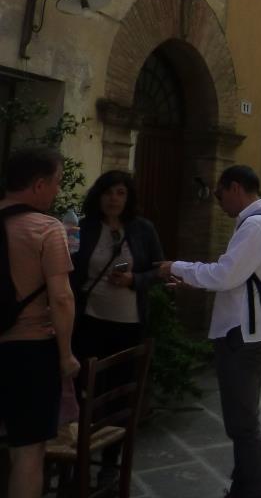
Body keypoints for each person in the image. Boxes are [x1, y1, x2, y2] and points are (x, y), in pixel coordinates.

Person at [157, 165, 261, 498]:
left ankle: (257, 491)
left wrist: (177, 267)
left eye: (219, 193)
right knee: (241, 420)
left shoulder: (257, 226)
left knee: (242, 423)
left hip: (244, 334)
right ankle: (245, 486)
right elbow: (238, 279)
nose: (218, 201)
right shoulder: (256, 223)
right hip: (246, 329)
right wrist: (194, 282)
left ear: (235, 188)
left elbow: (226, 275)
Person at [71, 170, 164, 482]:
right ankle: (78, 455)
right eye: (109, 192)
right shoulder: (84, 229)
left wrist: (133, 280)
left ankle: (111, 462)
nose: (114, 198)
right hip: (89, 323)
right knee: (85, 390)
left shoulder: (142, 230)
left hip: (128, 325)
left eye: (120, 193)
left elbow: (158, 271)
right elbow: (70, 273)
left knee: (120, 395)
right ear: (99, 196)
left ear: (129, 198)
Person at [0, 146, 79, 498]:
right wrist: (65, 355)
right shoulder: (47, 229)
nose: (58, 191)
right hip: (29, 354)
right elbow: (61, 298)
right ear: (39, 185)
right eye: (57, 183)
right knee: (28, 452)